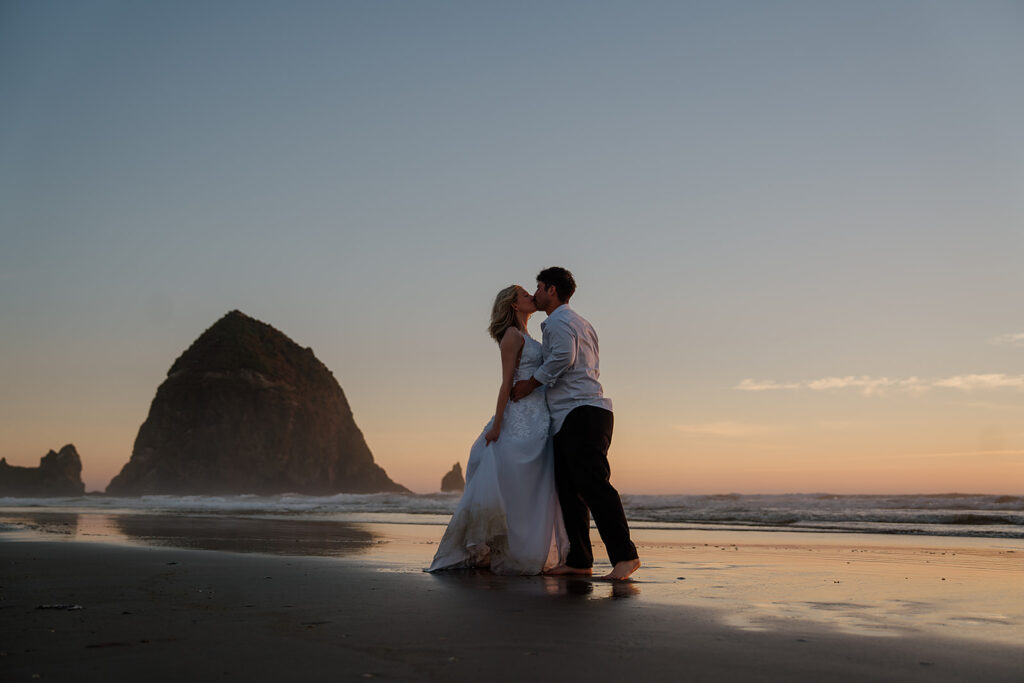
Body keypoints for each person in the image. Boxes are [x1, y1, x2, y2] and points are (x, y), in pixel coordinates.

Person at [427, 285, 568, 575]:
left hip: (538, 419)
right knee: (513, 483)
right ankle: (505, 549)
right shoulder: (512, 336)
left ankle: (524, 549)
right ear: (514, 306)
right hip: (517, 419)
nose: (531, 296)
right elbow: (506, 383)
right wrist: (498, 425)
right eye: (525, 295)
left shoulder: (531, 337)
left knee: (531, 488)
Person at [511, 267, 641, 581]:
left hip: (581, 412)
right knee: (569, 489)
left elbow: (563, 358)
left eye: (539, 287)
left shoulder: (556, 322)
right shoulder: (580, 322)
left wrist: (531, 383)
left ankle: (625, 556)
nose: (536, 293)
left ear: (551, 290)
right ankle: (579, 558)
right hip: (578, 413)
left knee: (594, 486)